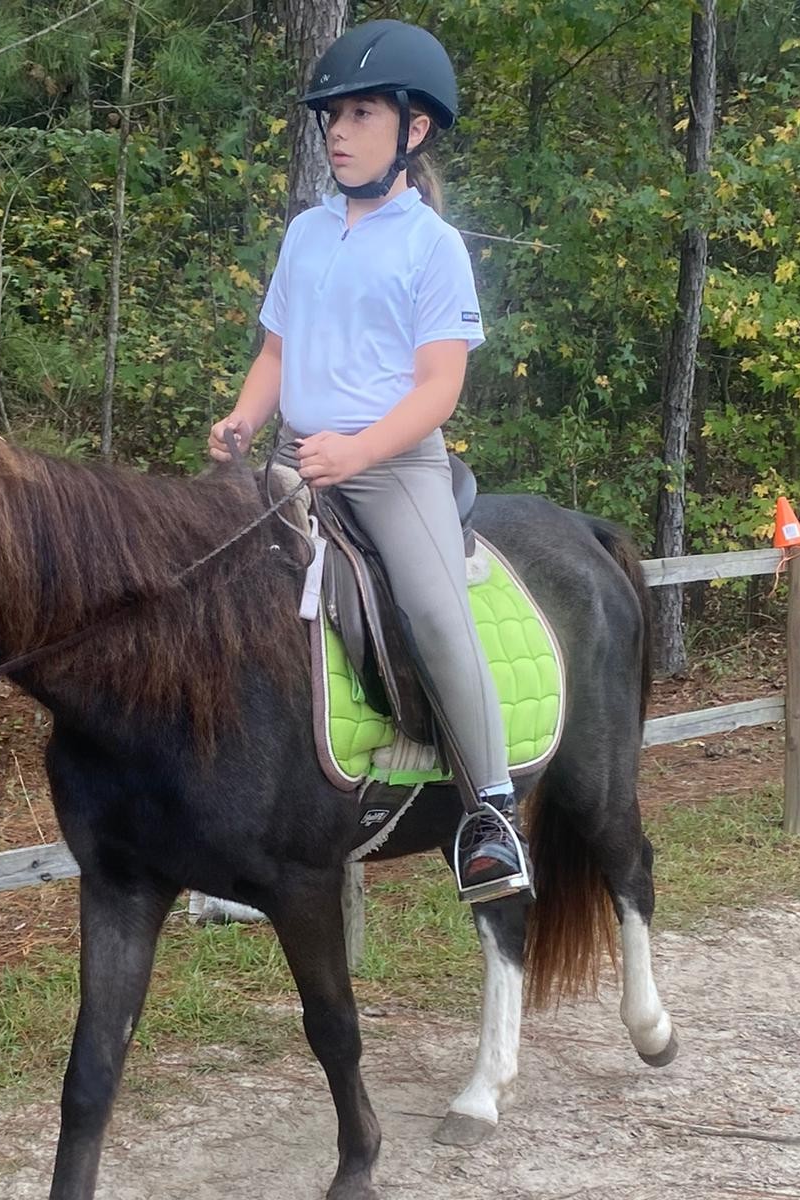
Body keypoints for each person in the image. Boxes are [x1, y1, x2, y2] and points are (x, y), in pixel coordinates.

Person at [208, 20, 530, 904]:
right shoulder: (307, 234)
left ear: (412, 129)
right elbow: (275, 353)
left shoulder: (433, 247)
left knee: (431, 607)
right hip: (292, 460)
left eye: (359, 114)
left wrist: (358, 448)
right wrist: (243, 417)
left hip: (393, 467)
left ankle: (490, 814)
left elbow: (438, 388)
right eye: (330, 117)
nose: (338, 132)